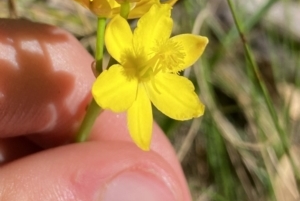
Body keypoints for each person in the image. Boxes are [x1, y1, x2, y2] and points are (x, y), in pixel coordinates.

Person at [0, 18, 192, 200]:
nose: (156, 60)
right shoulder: (117, 50)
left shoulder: (145, 95)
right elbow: (116, 29)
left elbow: (144, 132)